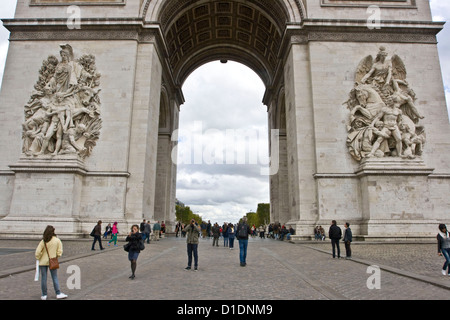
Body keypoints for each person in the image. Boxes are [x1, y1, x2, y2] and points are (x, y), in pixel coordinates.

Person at [35, 225, 68, 300]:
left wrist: (39, 257)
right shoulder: (57, 240)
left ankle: (44, 295)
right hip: (52, 261)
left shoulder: (43, 241)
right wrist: (55, 256)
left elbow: (37, 252)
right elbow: (59, 252)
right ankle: (58, 293)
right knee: (54, 277)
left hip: (43, 262)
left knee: (44, 278)